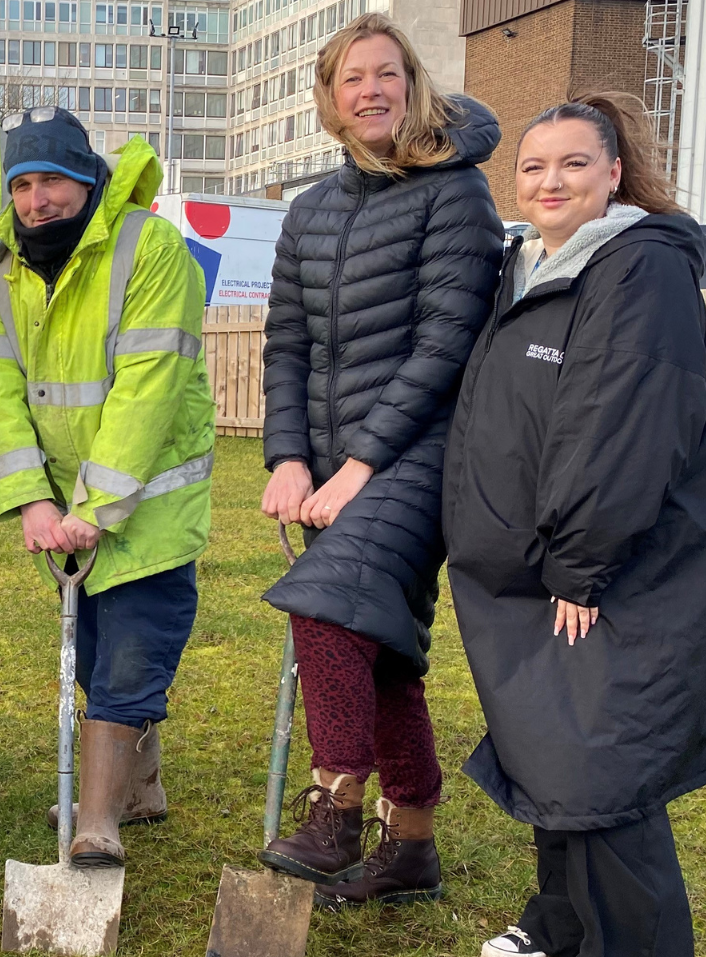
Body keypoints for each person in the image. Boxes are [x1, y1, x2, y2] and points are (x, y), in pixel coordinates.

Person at [443, 93, 706, 957]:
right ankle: (564, 916)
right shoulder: (529, 265)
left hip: (601, 572)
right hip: (529, 574)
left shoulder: (638, 270)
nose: (550, 183)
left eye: (573, 165)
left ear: (614, 174)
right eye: (533, 168)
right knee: (550, 746)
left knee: (600, 762)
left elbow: (623, 424)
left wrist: (579, 564)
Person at [254, 13, 503, 907]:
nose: (370, 90)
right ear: (329, 98)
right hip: (325, 465)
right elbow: (285, 341)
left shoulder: (455, 192)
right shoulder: (310, 209)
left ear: (413, 84)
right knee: (381, 642)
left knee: (325, 608)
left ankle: (336, 805)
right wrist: (288, 455)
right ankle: (414, 848)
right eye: (351, 77)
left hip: (423, 456)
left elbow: (445, 343)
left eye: (386, 73)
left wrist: (358, 466)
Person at [0, 110, 213, 866]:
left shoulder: (150, 246)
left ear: (88, 178)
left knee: (131, 656)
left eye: (53, 182)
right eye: (23, 186)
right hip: (68, 512)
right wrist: (35, 502)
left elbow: (149, 385)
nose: (38, 201)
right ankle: (139, 788)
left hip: (148, 502)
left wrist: (95, 508)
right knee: (100, 643)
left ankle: (98, 820)